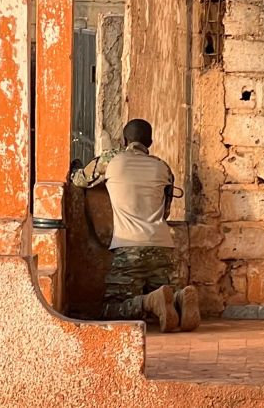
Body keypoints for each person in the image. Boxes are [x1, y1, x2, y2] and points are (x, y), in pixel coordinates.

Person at [70, 119, 200, 333]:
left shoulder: (111, 160)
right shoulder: (163, 167)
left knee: (111, 310)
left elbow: (79, 180)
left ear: (124, 140)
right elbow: (166, 211)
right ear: (150, 142)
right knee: (164, 293)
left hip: (128, 249)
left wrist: (75, 167)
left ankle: (149, 302)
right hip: (162, 248)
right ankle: (179, 300)